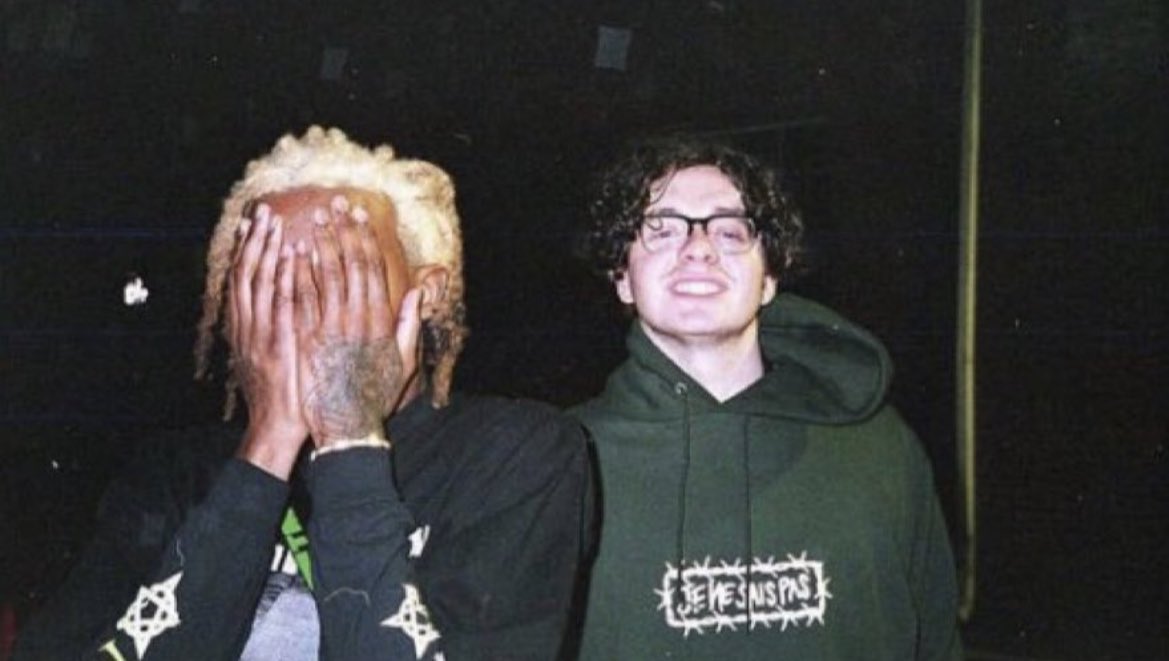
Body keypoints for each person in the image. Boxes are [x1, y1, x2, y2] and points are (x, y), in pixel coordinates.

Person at [14, 126, 594, 660]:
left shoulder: (515, 455)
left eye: (343, 271)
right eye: (267, 278)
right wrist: (265, 452)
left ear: (427, 294)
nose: (302, 304)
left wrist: (349, 439)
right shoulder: (177, 474)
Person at [573, 136, 962, 659]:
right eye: (662, 229)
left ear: (769, 278)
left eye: (730, 230)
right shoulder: (561, 462)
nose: (698, 247)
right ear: (622, 276)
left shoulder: (880, 448)